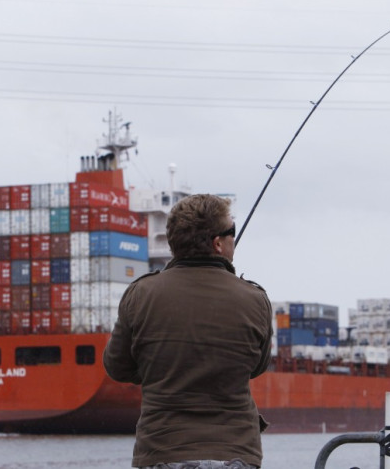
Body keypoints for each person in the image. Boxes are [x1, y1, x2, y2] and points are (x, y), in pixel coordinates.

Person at [104, 194, 274, 469]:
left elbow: (117, 368)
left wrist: (159, 368)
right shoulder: (255, 299)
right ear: (218, 243)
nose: (234, 237)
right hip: (236, 454)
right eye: (232, 231)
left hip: (161, 452)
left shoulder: (140, 294)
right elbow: (256, 366)